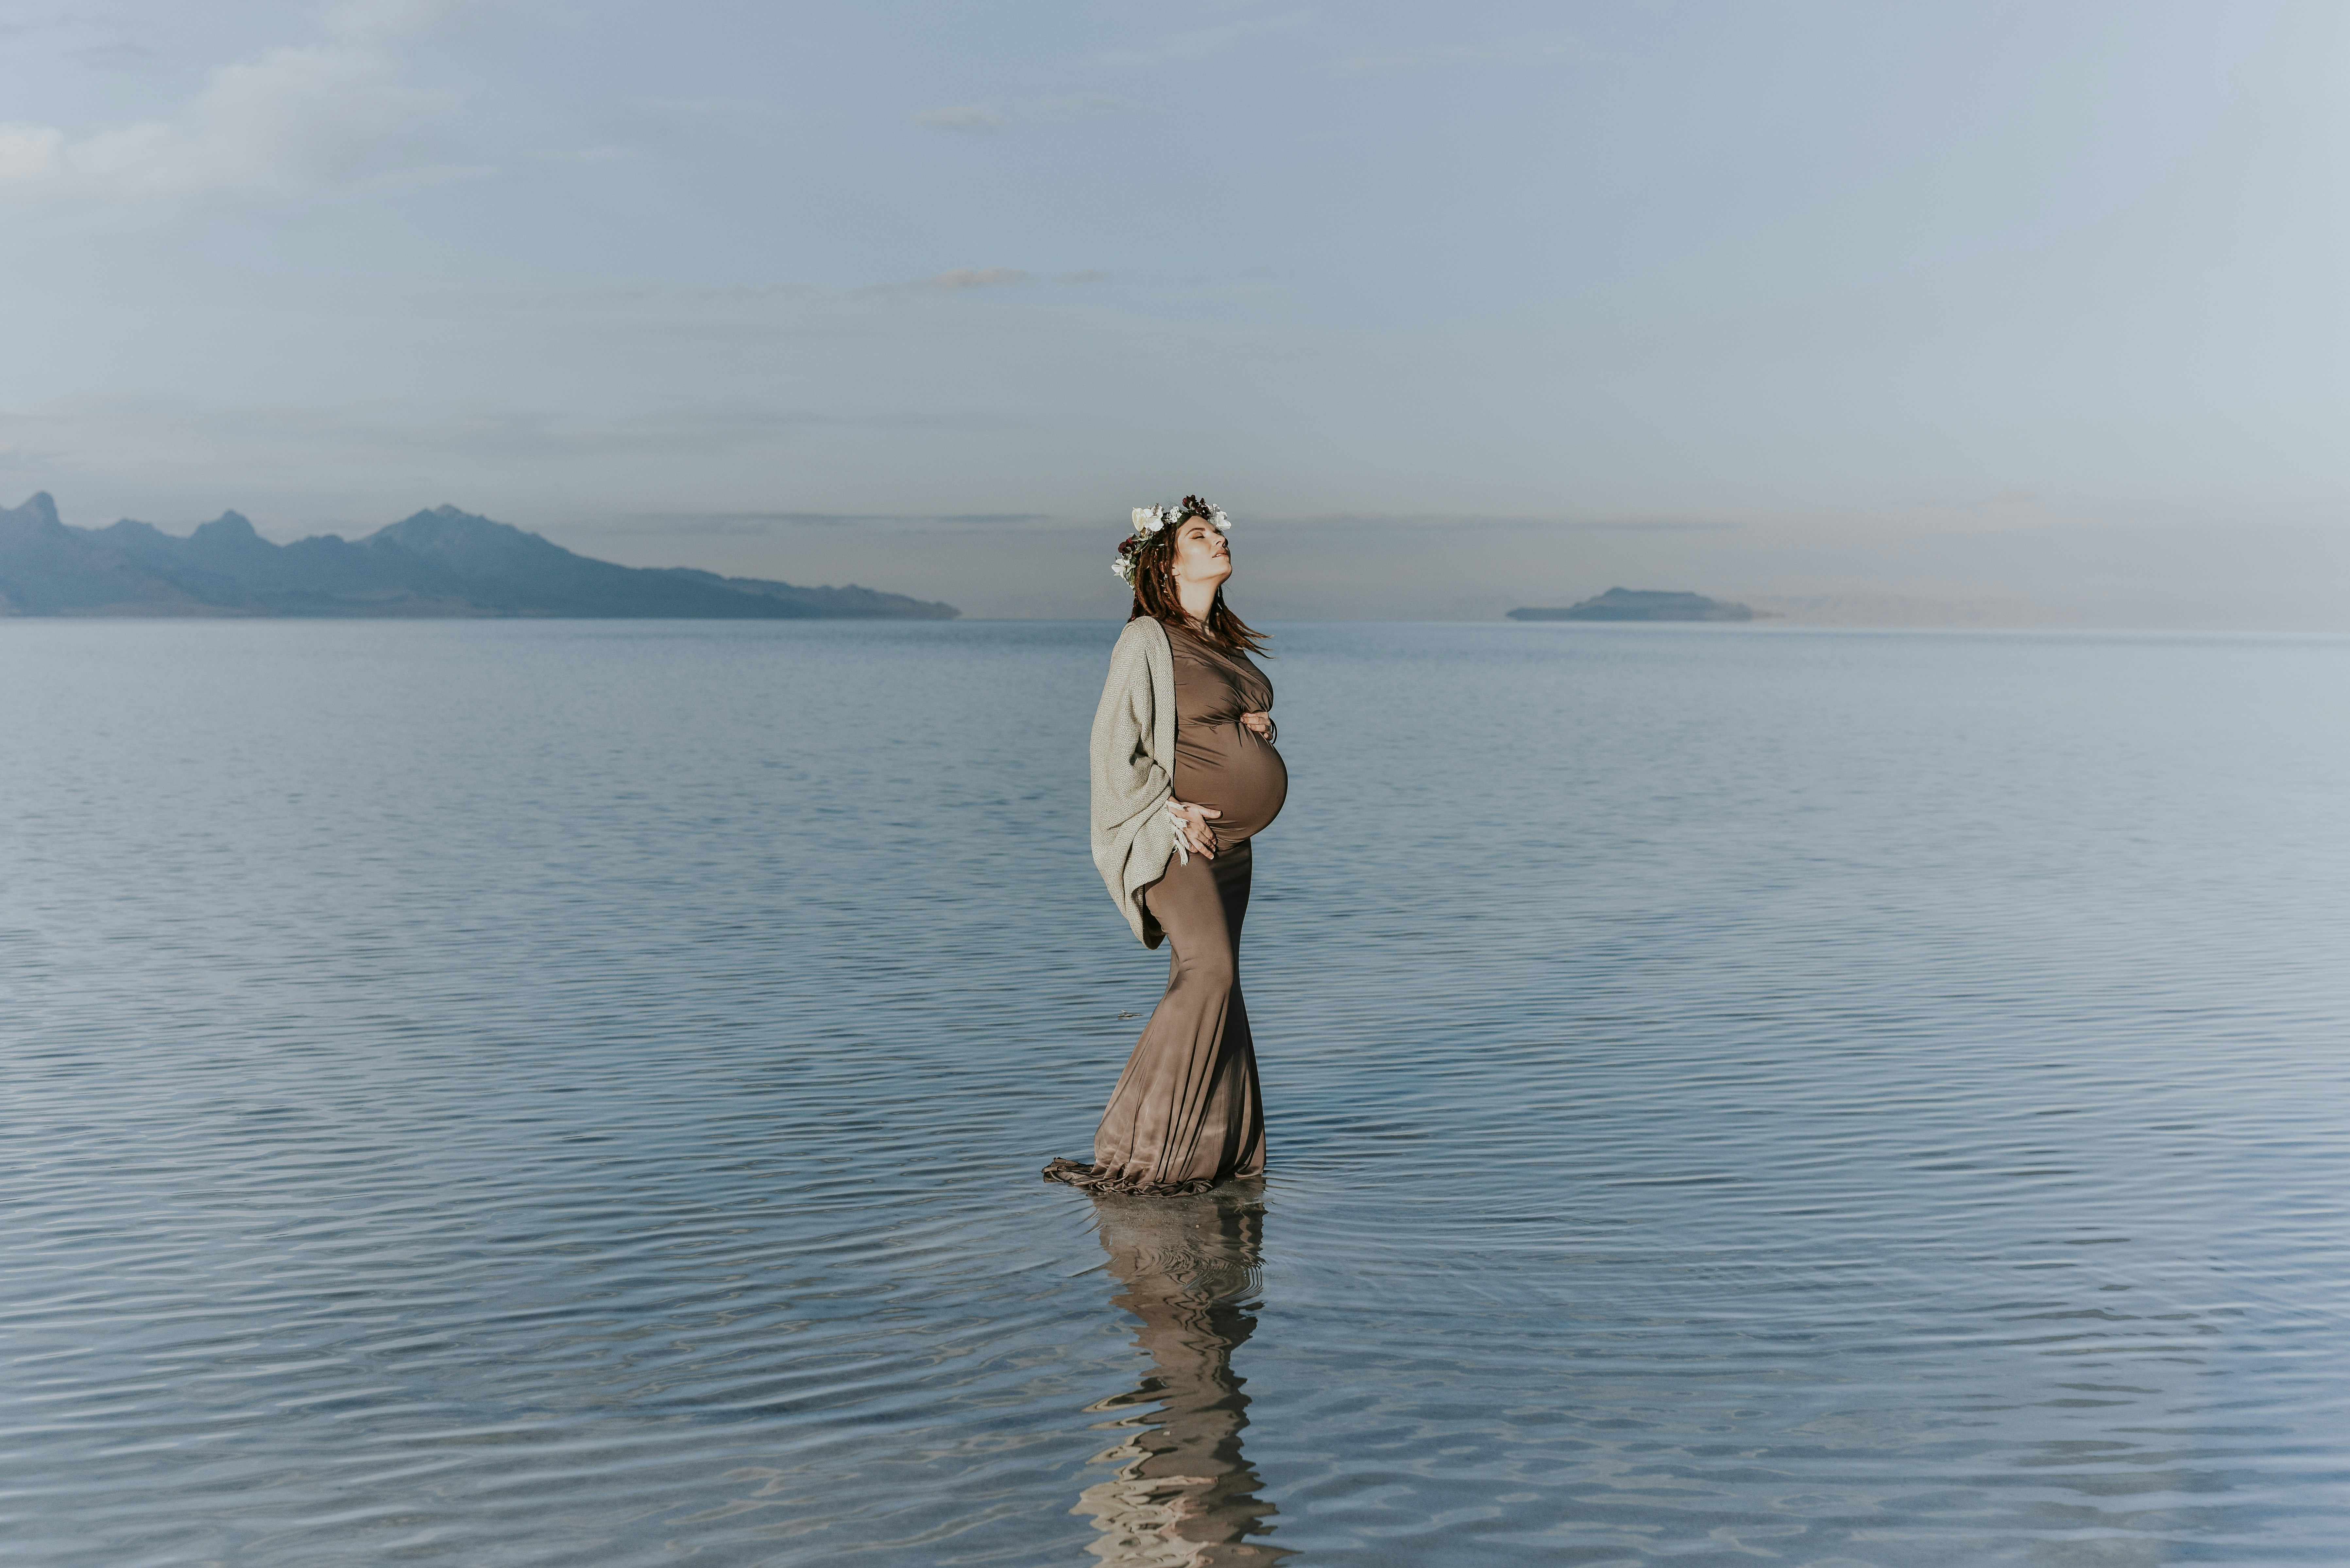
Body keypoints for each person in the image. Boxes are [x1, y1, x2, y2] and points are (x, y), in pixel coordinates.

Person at [1044, 495, 1286, 1197]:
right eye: (1201, 535)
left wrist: (1255, 723)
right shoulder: (1147, 639)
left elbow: (1200, 722)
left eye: (1218, 533)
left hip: (1232, 846)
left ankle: (1220, 1149)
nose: (1218, 541)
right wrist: (1164, 810)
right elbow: (1112, 750)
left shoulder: (1218, 645)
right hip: (1177, 837)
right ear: (1165, 561)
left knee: (1223, 984)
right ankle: (1141, 1147)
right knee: (1206, 971)